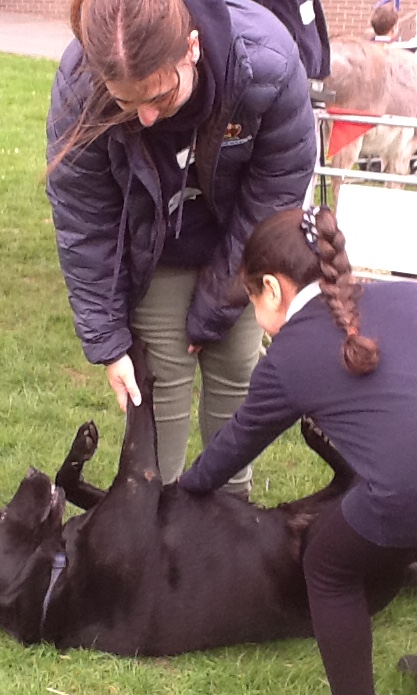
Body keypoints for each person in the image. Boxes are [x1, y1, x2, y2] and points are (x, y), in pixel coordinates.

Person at [178, 206, 417, 695]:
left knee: (327, 564)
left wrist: (186, 487)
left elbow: (236, 444)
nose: (254, 312)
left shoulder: (287, 357)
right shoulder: (414, 294)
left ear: (273, 289)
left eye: (251, 299)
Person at [45, 0, 316, 498]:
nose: (146, 118)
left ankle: (231, 513)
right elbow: (84, 220)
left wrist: (216, 305)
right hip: (153, 252)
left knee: (235, 370)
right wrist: (108, 342)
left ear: (192, 48)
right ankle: (154, 514)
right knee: (158, 385)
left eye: (159, 95)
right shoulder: (82, 80)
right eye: (125, 102)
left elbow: (273, 197)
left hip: (243, 240)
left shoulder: (267, 64)